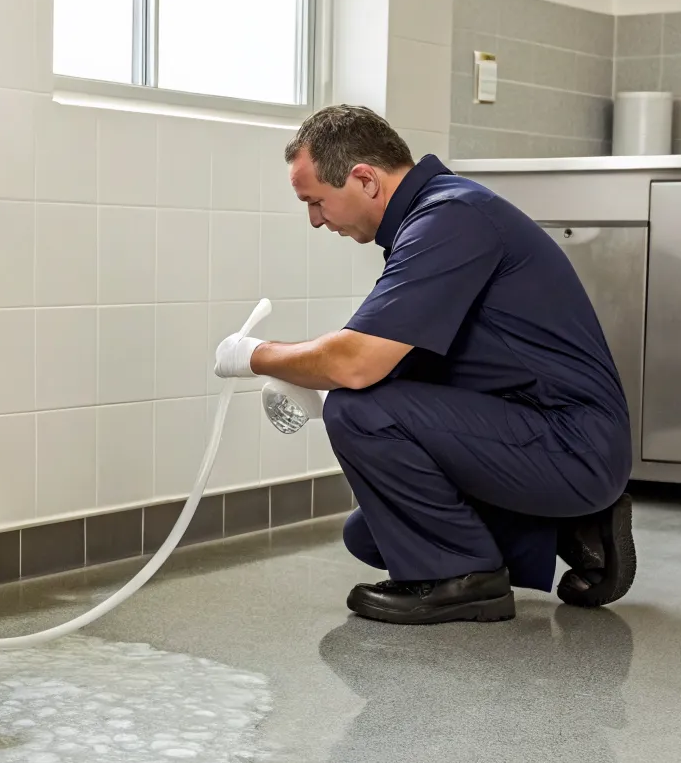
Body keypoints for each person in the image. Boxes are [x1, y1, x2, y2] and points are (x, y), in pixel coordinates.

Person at [215, 105, 635, 624]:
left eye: (317, 201)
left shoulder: (451, 219)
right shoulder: (442, 213)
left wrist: (252, 355)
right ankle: (568, 530)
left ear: (364, 179)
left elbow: (356, 364)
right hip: (543, 432)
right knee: (369, 534)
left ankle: (466, 579)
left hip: (573, 444)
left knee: (357, 410)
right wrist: (315, 383)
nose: (316, 220)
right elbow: (394, 361)